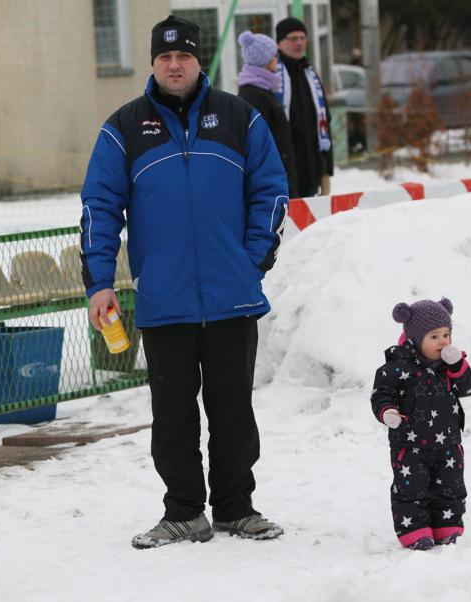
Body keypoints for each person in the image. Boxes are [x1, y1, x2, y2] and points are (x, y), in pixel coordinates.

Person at [80, 14, 289, 549]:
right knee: (172, 416)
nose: (175, 65)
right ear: (154, 63)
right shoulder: (124, 126)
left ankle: (236, 508)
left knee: (233, 411)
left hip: (232, 296)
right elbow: (100, 208)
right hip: (164, 298)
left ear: (200, 62)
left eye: (185, 57)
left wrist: (250, 260)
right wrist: (100, 281)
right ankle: (184, 512)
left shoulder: (239, 118)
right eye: (165, 57)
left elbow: (271, 190)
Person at [370, 297, 471, 550]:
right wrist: (387, 411)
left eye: (446, 334)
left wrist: (459, 366)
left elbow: (470, 387)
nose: (443, 342)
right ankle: (415, 529)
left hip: (448, 442)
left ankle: (447, 525)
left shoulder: (451, 365)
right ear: (415, 339)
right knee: (411, 488)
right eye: (434, 337)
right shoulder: (397, 368)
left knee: (450, 485)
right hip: (409, 444)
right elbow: (381, 395)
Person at [275, 17, 334, 197]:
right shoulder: (271, 77)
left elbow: (325, 121)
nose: (299, 42)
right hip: (284, 172)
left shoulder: (311, 75)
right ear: (279, 43)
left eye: (303, 38)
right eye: (293, 38)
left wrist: (326, 170)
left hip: (311, 171)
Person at [236, 30, 299, 196]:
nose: (277, 60)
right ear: (265, 60)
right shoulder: (254, 95)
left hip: (280, 174)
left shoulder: (264, 90)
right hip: (273, 180)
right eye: (274, 56)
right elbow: (259, 143)